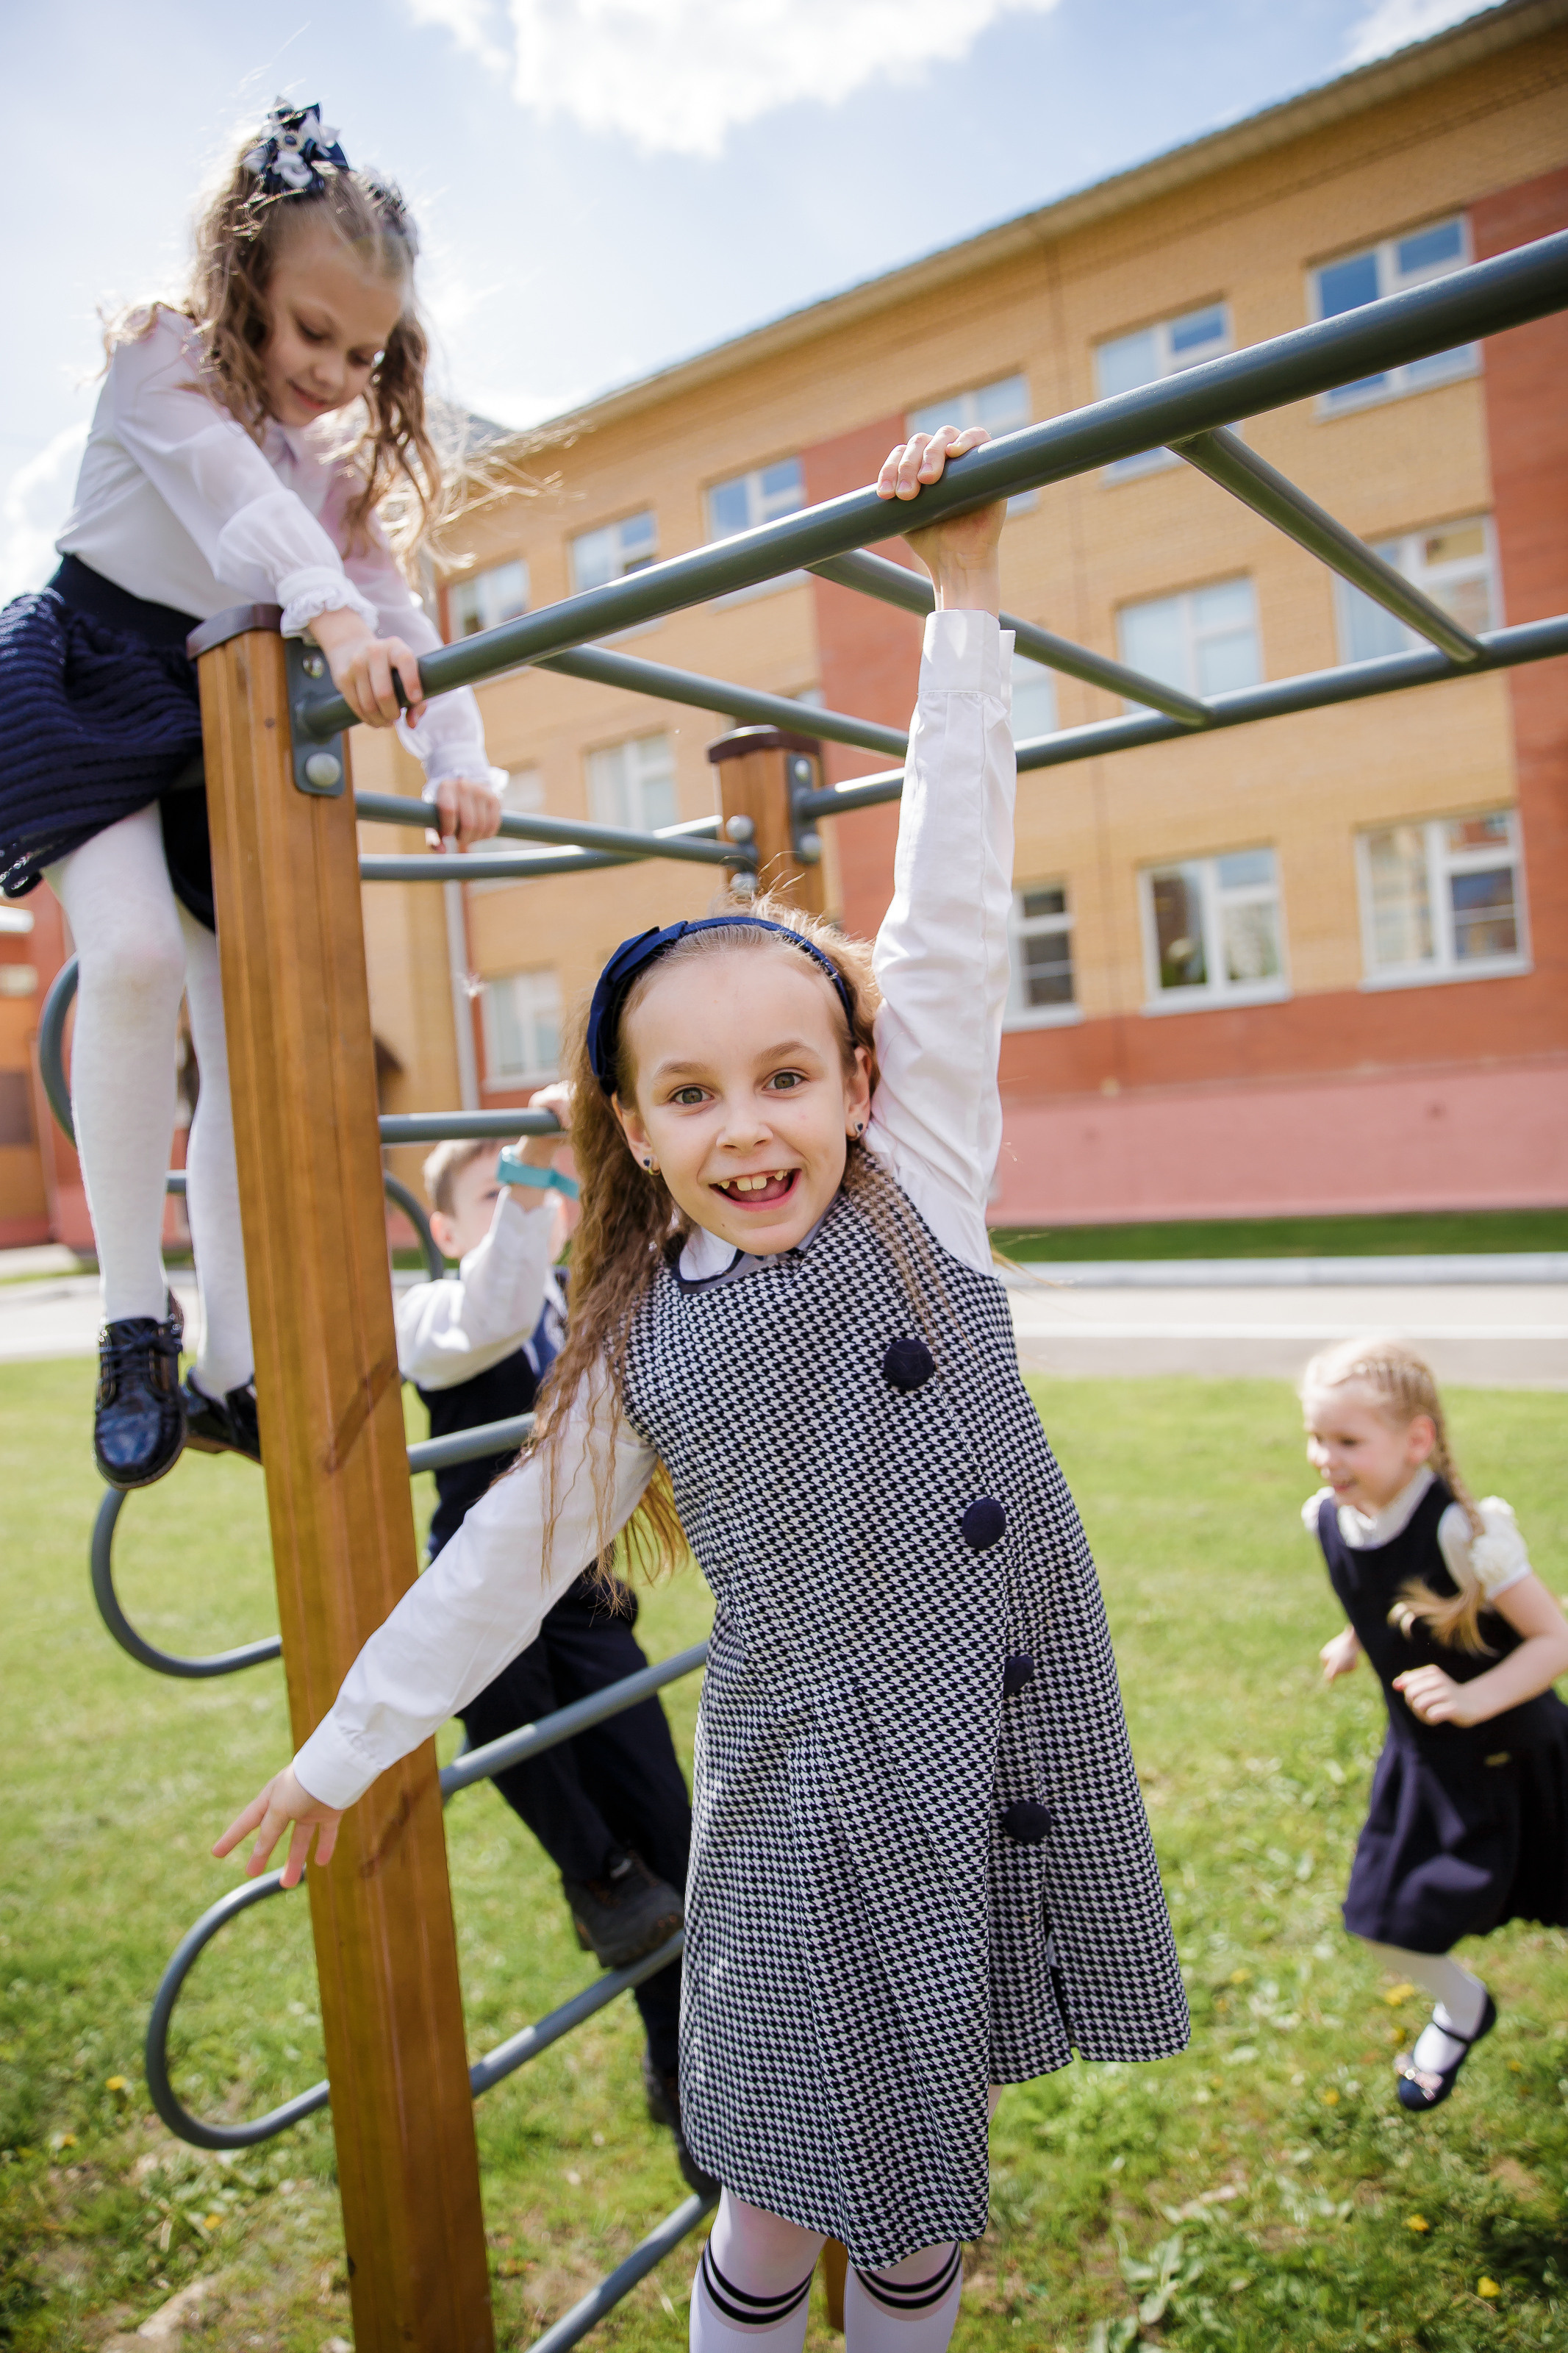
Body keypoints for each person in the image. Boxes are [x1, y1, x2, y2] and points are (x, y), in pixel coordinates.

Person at [217, 425, 1188, 2353]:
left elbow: (955, 915)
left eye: (782, 1076)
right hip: (813, 1785)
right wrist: (346, 1743)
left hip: (987, 1719)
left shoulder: (920, 1178)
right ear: (630, 1132)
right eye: (688, 1095)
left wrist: (969, 608)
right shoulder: (633, 1335)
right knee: (768, 2196)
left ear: (853, 1079)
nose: (747, 1127)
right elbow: (500, 1564)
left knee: (915, 2199)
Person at [0, 100, 502, 1491]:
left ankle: (229, 1360)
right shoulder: (163, 361)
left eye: (364, 350)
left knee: (241, 1034)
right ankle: (127, 1313)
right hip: (98, 677)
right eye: (308, 333)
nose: (334, 373)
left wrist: (456, 756)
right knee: (141, 961)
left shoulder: (326, 475)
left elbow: (405, 604)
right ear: (241, 283)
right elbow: (234, 505)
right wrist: (330, 617)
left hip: (220, 722)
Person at [398, 1104, 704, 2188]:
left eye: (537, 1191)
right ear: (441, 1226)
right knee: (500, 1696)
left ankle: (683, 2062)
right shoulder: (435, 1308)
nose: (524, 1210)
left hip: (580, 1587)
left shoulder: (571, 1300)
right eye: (493, 1194)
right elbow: (487, 1309)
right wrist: (533, 1176)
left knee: (673, 1832)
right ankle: (596, 1870)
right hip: (485, 1576)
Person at [1302, 1335, 1568, 2112]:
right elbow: (1382, 1592)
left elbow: (1554, 1637)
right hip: (1425, 1764)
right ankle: (1463, 2008)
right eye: (1317, 1436)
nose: (1326, 1456)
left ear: (1417, 1439)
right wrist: (1356, 1636)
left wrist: (1475, 1699)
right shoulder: (1329, 1516)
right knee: (1383, 1919)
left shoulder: (1463, 1531)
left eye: (1348, 1440)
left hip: (1520, 1752)